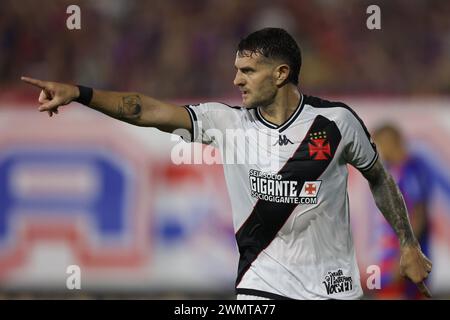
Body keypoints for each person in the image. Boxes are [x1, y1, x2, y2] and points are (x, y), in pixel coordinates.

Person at [21, 28, 431, 300]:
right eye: (236, 69)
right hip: (261, 288)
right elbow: (144, 109)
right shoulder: (226, 122)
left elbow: (379, 178)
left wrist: (409, 244)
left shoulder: (336, 123)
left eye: (248, 71)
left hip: (333, 287)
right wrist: (79, 92)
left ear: (281, 73)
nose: (236, 80)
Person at [372, 124, 432, 299]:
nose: (379, 152)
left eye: (379, 145)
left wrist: (404, 254)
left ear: (391, 142)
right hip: (390, 255)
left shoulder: (411, 170)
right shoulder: (392, 170)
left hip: (402, 258)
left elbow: (418, 215)